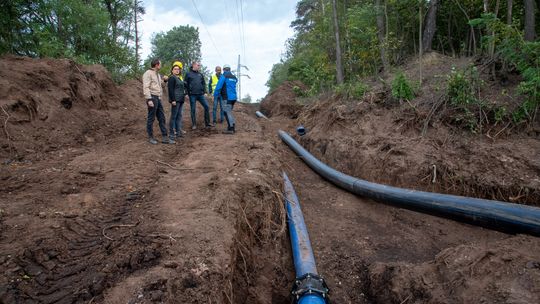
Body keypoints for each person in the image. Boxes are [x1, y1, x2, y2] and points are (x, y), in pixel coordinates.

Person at [142, 58, 173, 144]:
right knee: (151, 118)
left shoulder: (157, 74)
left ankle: (165, 138)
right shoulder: (148, 73)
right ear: (156, 65)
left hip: (158, 98)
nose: (161, 65)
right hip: (152, 97)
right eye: (160, 64)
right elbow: (146, 87)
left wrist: (165, 80)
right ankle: (151, 137)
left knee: (161, 118)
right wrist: (149, 99)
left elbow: (160, 85)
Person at [184, 61, 211, 129]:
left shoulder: (200, 74)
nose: (199, 66)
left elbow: (203, 83)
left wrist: (205, 92)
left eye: (199, 65)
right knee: (193, 109)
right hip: (192, 94)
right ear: (193, 65)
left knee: (207, 106)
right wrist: (186, 93)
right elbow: (185, 84)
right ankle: (194, 124)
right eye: (198, 65)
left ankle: (207, 123)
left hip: (200, 94)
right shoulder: (188, 74)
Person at [213, 64, 238, 134]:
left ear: (224, 69)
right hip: (234, 98)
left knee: (227, 112)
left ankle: (231, 129)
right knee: (228, 111)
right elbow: (236, 81)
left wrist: (215, 94)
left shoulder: (224, 76)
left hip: (227, 97)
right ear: (229, 69)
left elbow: (218, 86)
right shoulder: (234, 77)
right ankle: (231, 126)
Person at [168, 61, 186, 140]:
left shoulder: (179, 78)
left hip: (181, 100)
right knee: (173, 117)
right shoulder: (172, 78)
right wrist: (173, 100)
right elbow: (170, 90)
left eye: (178, 69)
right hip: (176, 100)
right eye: (175, 69)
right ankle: (171, 133)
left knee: (179, 116)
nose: (177, 70)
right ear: (172, 70)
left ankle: (178, 132)